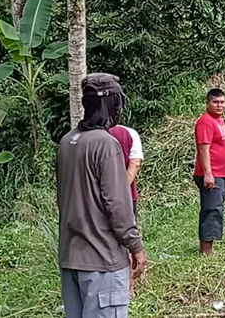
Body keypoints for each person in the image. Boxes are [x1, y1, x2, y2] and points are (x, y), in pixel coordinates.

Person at [57, 73, 147, 318]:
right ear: (112, 104)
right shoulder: (106, 144)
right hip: (102, 260)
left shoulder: (67, 141)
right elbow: (117, 204)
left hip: (71, 259)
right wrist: (135, 246)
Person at [194, 88, 225, 255]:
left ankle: (207, 245)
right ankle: (206, 250)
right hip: (212, 174)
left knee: (216, 208)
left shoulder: (219, 121)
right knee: (211, 209)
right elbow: (203, 148)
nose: (219, 105)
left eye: (222, 102)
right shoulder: (205, 121)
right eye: (215, 102)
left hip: (221, 173)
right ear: (208, 103)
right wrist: (208, 173)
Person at [108, 122, 144, 293]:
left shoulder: (92, 136)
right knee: (128, 240)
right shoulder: (129, 133)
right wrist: (121, 189)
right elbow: (135, 163)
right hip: (127, 198)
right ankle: (128, 288)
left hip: (98, 200)